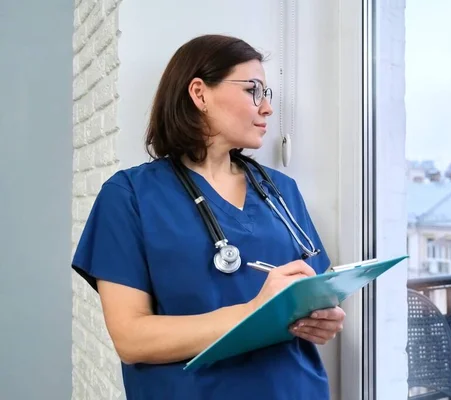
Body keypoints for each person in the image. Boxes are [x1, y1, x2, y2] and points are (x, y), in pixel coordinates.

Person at [71, 34, 345, 399]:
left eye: (268, 95)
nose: (267, 109)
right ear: (199, 94)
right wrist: (252, 312)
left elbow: (315, 291)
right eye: (253, 91)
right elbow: (130, 338)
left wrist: (322, 318)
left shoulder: (280, 191)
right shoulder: (129, 196)